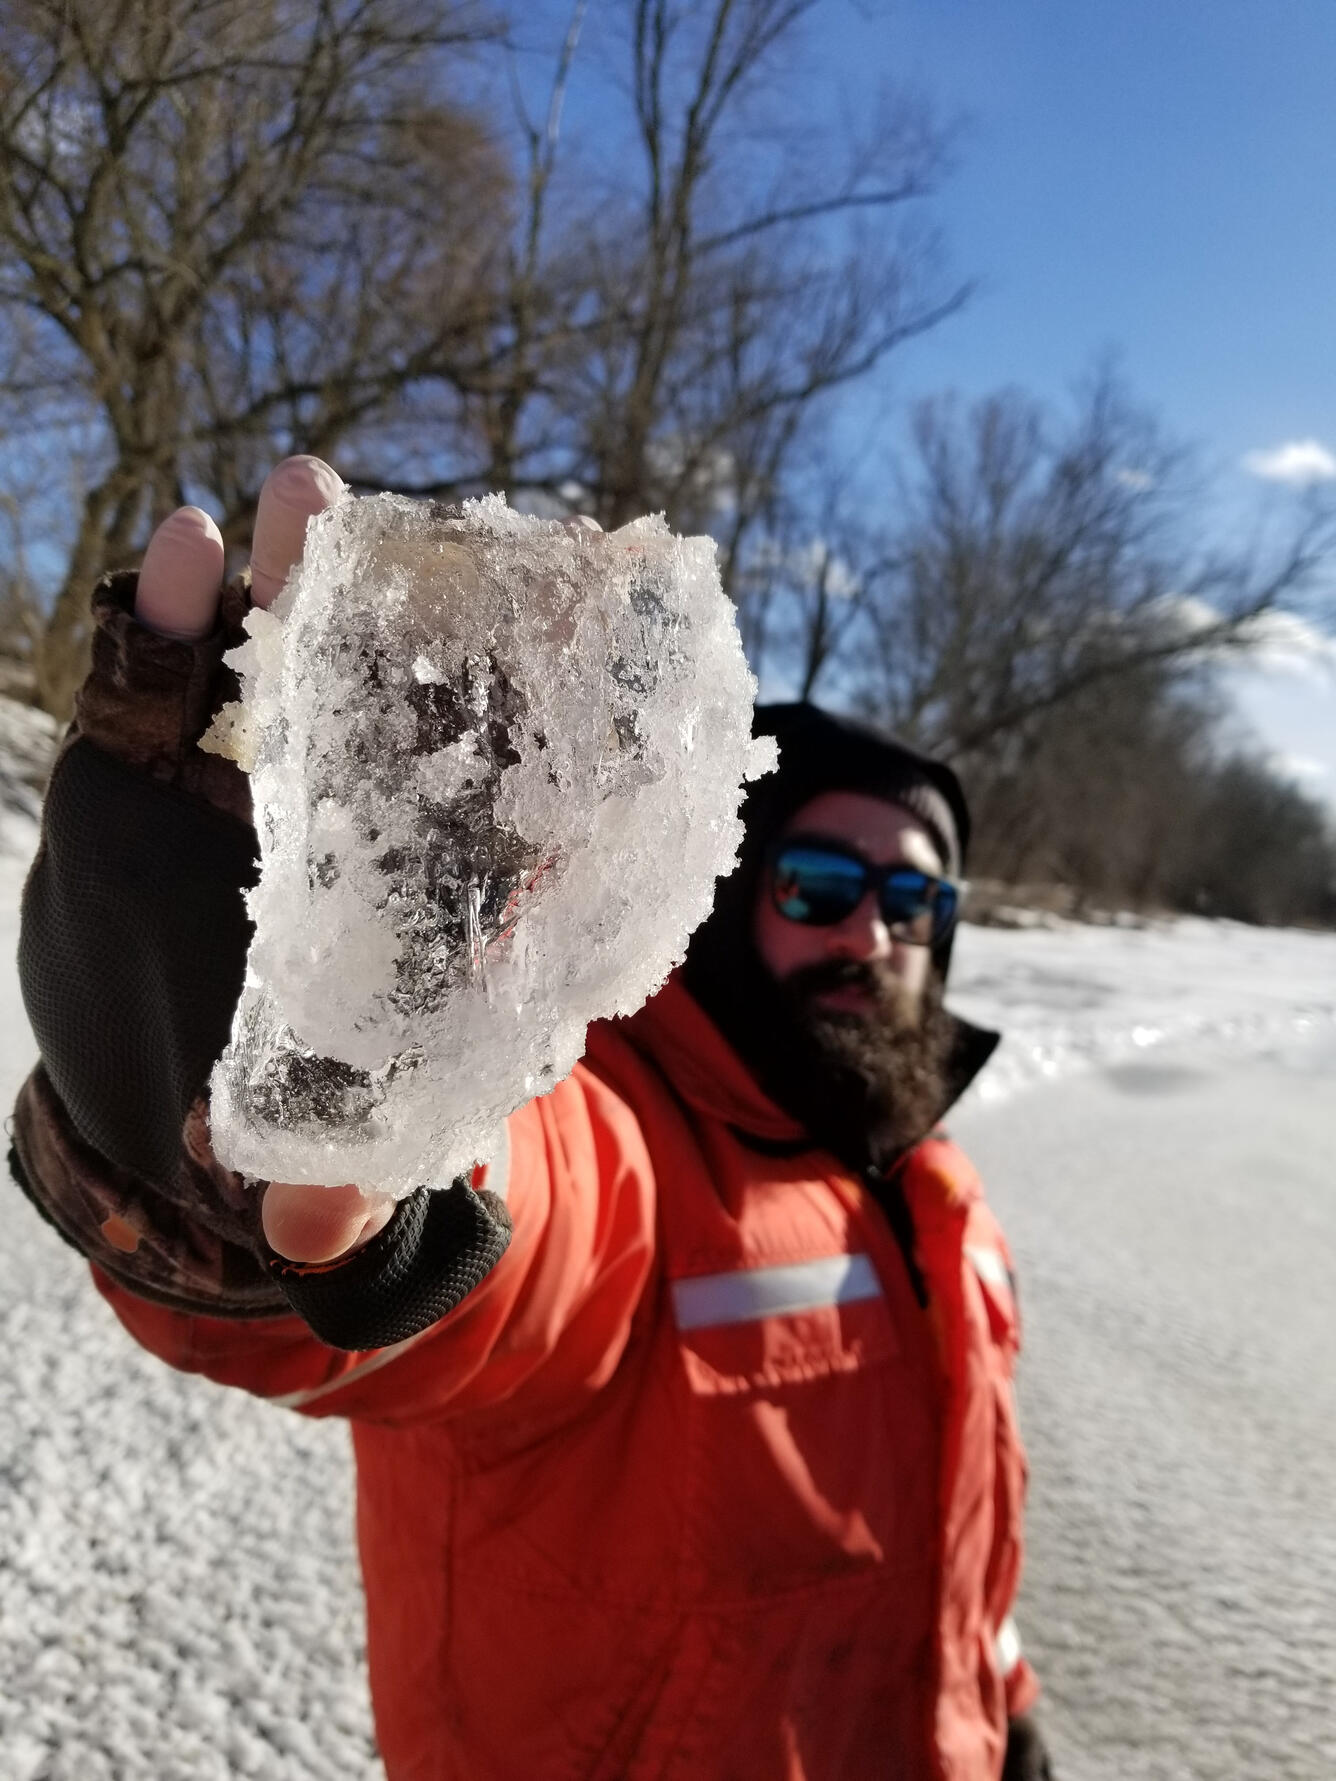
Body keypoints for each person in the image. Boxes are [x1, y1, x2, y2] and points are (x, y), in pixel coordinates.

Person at [10, 457, 1054, 1780]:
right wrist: (297, 1138)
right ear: (727, 891)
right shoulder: (627, 1139)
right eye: (822, 882)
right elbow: (522, 1237)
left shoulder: (936, 1189)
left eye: (918, 904)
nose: (874, 931)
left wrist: (1004, 1703)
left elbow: (963, 1517)